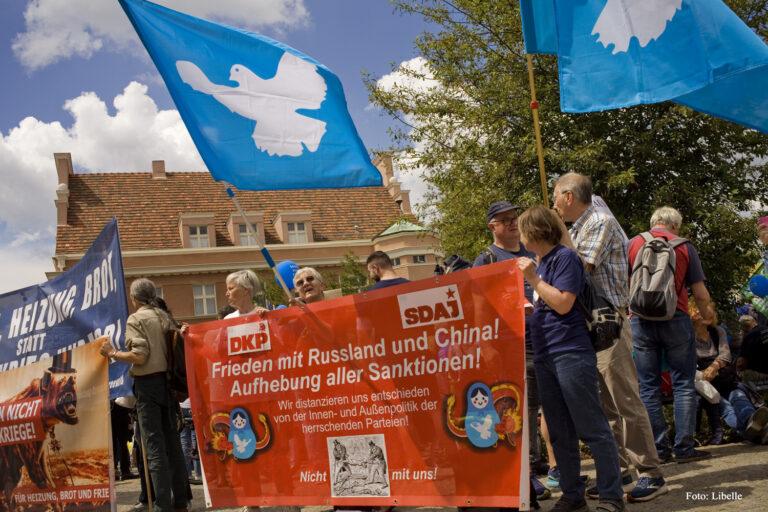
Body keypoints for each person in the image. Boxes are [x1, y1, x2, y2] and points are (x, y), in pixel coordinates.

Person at [553, 173, 666, 502]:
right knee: (604, 402)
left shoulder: (599, 221)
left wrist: (556, 231)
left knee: (624, 397)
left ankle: (650, 472)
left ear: (570, 197)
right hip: (590, 325)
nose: (554, 203)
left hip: (609, 322)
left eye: (556, 197)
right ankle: (619, 471)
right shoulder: (580, 225)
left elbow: (578, 268)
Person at [516, 205, 624, 512]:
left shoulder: (564, 258)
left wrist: (534, 280)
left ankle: (611, 497)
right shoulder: (543, 262)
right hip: (546, 355)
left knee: (592, 426)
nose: (520, 236)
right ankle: (573, 495)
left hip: (570, 351)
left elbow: (563, 304)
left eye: (523, 229)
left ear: (535, 232)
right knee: (560, 431)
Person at [472, 200, 554, 483]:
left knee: (552, 407)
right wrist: (487, 348)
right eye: (503, 219)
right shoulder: (487, 259)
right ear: (491, 226)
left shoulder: (534, 252)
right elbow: (478, 308)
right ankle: (526, 474)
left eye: (513, 217)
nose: (511, 223)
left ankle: (551, 466)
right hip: (511, 346)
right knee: (521, 410)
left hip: (546, 339)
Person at [627, 206, 714, 464]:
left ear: (654, 222)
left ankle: (658, 450)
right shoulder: (684, 247)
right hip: (675, 317)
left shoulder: (633, 243)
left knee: (648, 387)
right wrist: (707, 314)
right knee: (683, 384)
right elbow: (699, 292)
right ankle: (684, 448)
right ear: (675, 226)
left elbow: (622, 283)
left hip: (640, 320)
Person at [98, 278, 189, 512]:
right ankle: (181, 500)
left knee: (154, 446)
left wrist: (113, 352)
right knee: (173, 444)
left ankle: (162, 504)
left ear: (134, 298)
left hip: (148, 385)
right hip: (168, 384)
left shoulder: (136, 318)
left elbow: (140, 355)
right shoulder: (165, 317)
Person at [690, 303, 733, 445]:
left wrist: (714, 367)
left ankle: (717, 432)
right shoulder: (687, 333)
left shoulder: (717, 331)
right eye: (702, 309)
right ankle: (693, 436)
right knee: (697, 398)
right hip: (695, 375)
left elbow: (725, 354)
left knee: (711, 391)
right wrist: (701, 375)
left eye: (711, 310)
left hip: (717, 373)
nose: (709, 313)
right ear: (692, 312)